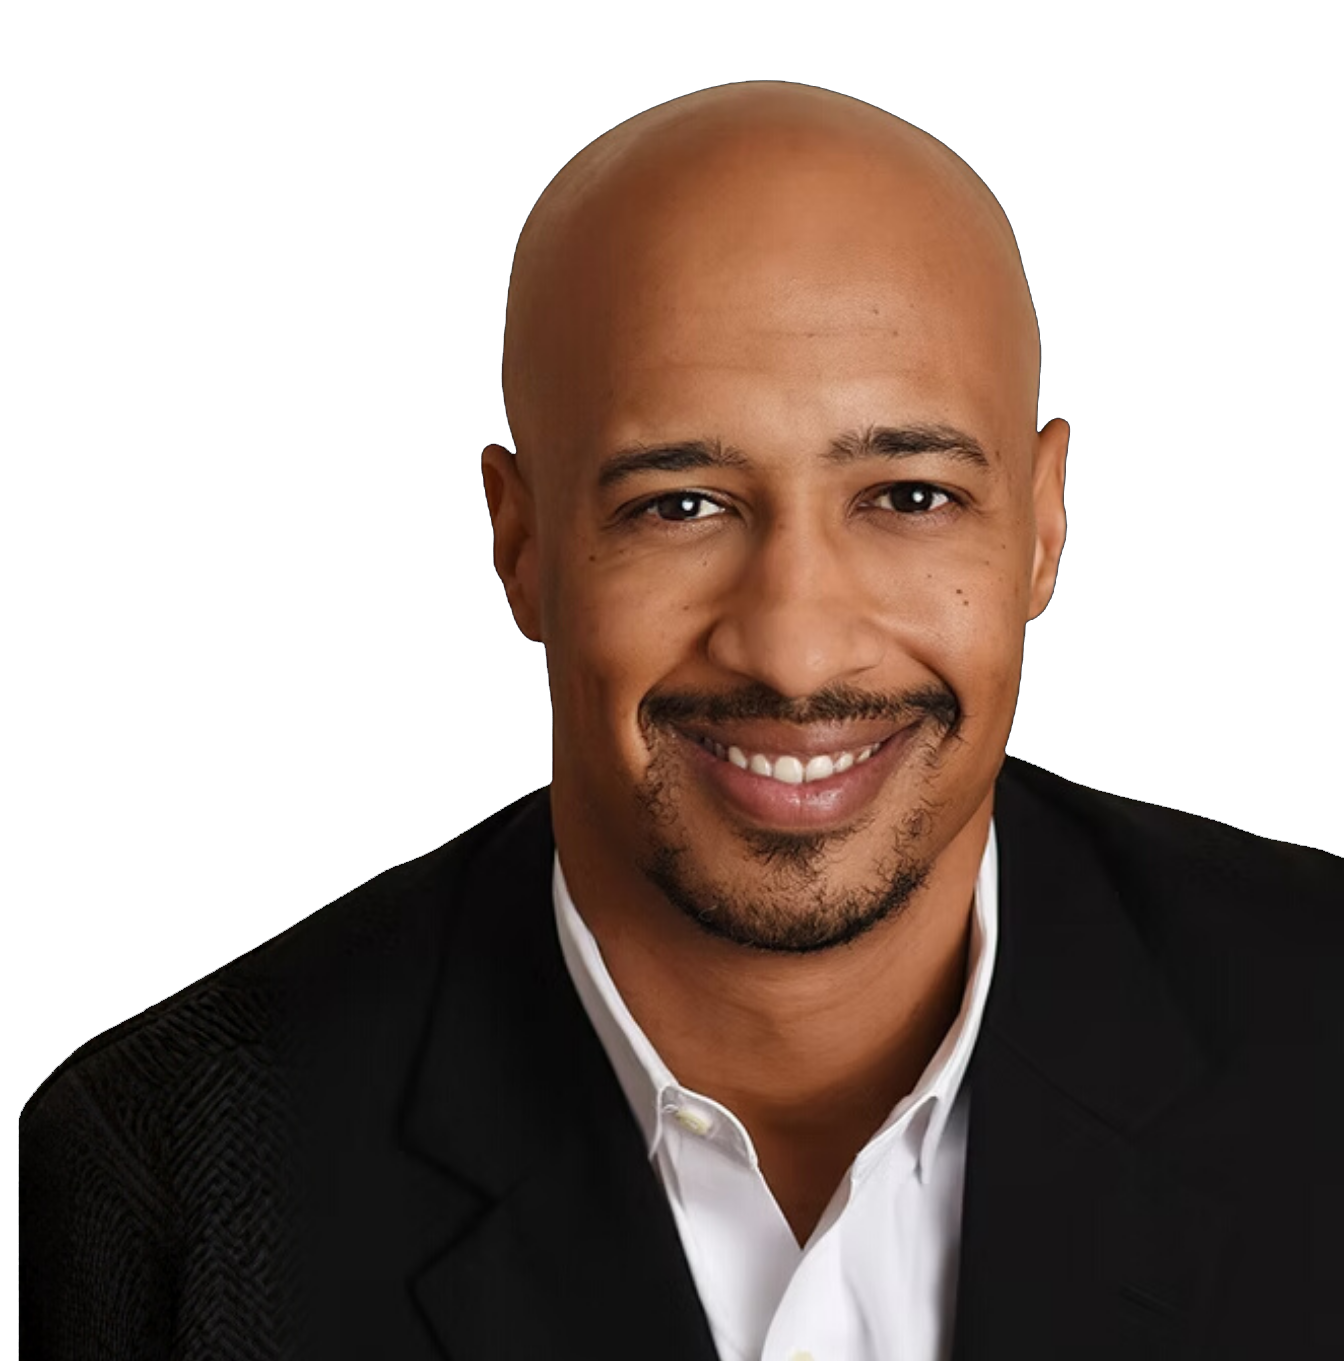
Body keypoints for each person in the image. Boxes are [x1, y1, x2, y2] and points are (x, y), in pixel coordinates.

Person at [20, 80, 1343, 1361]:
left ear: (1045, 525)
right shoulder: (174, 1177)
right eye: (681, 506)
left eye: (910, 496)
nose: (795, 649)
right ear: (519, 545)